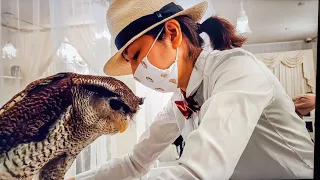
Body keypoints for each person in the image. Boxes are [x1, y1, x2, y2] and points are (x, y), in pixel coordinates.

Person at [70, 0, 314, 179]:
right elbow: (135, 163)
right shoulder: (181, 98)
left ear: (173, 33)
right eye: (130, 62)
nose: (135, 71)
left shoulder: (237, 69)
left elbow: (198, 173)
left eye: (136, 55)